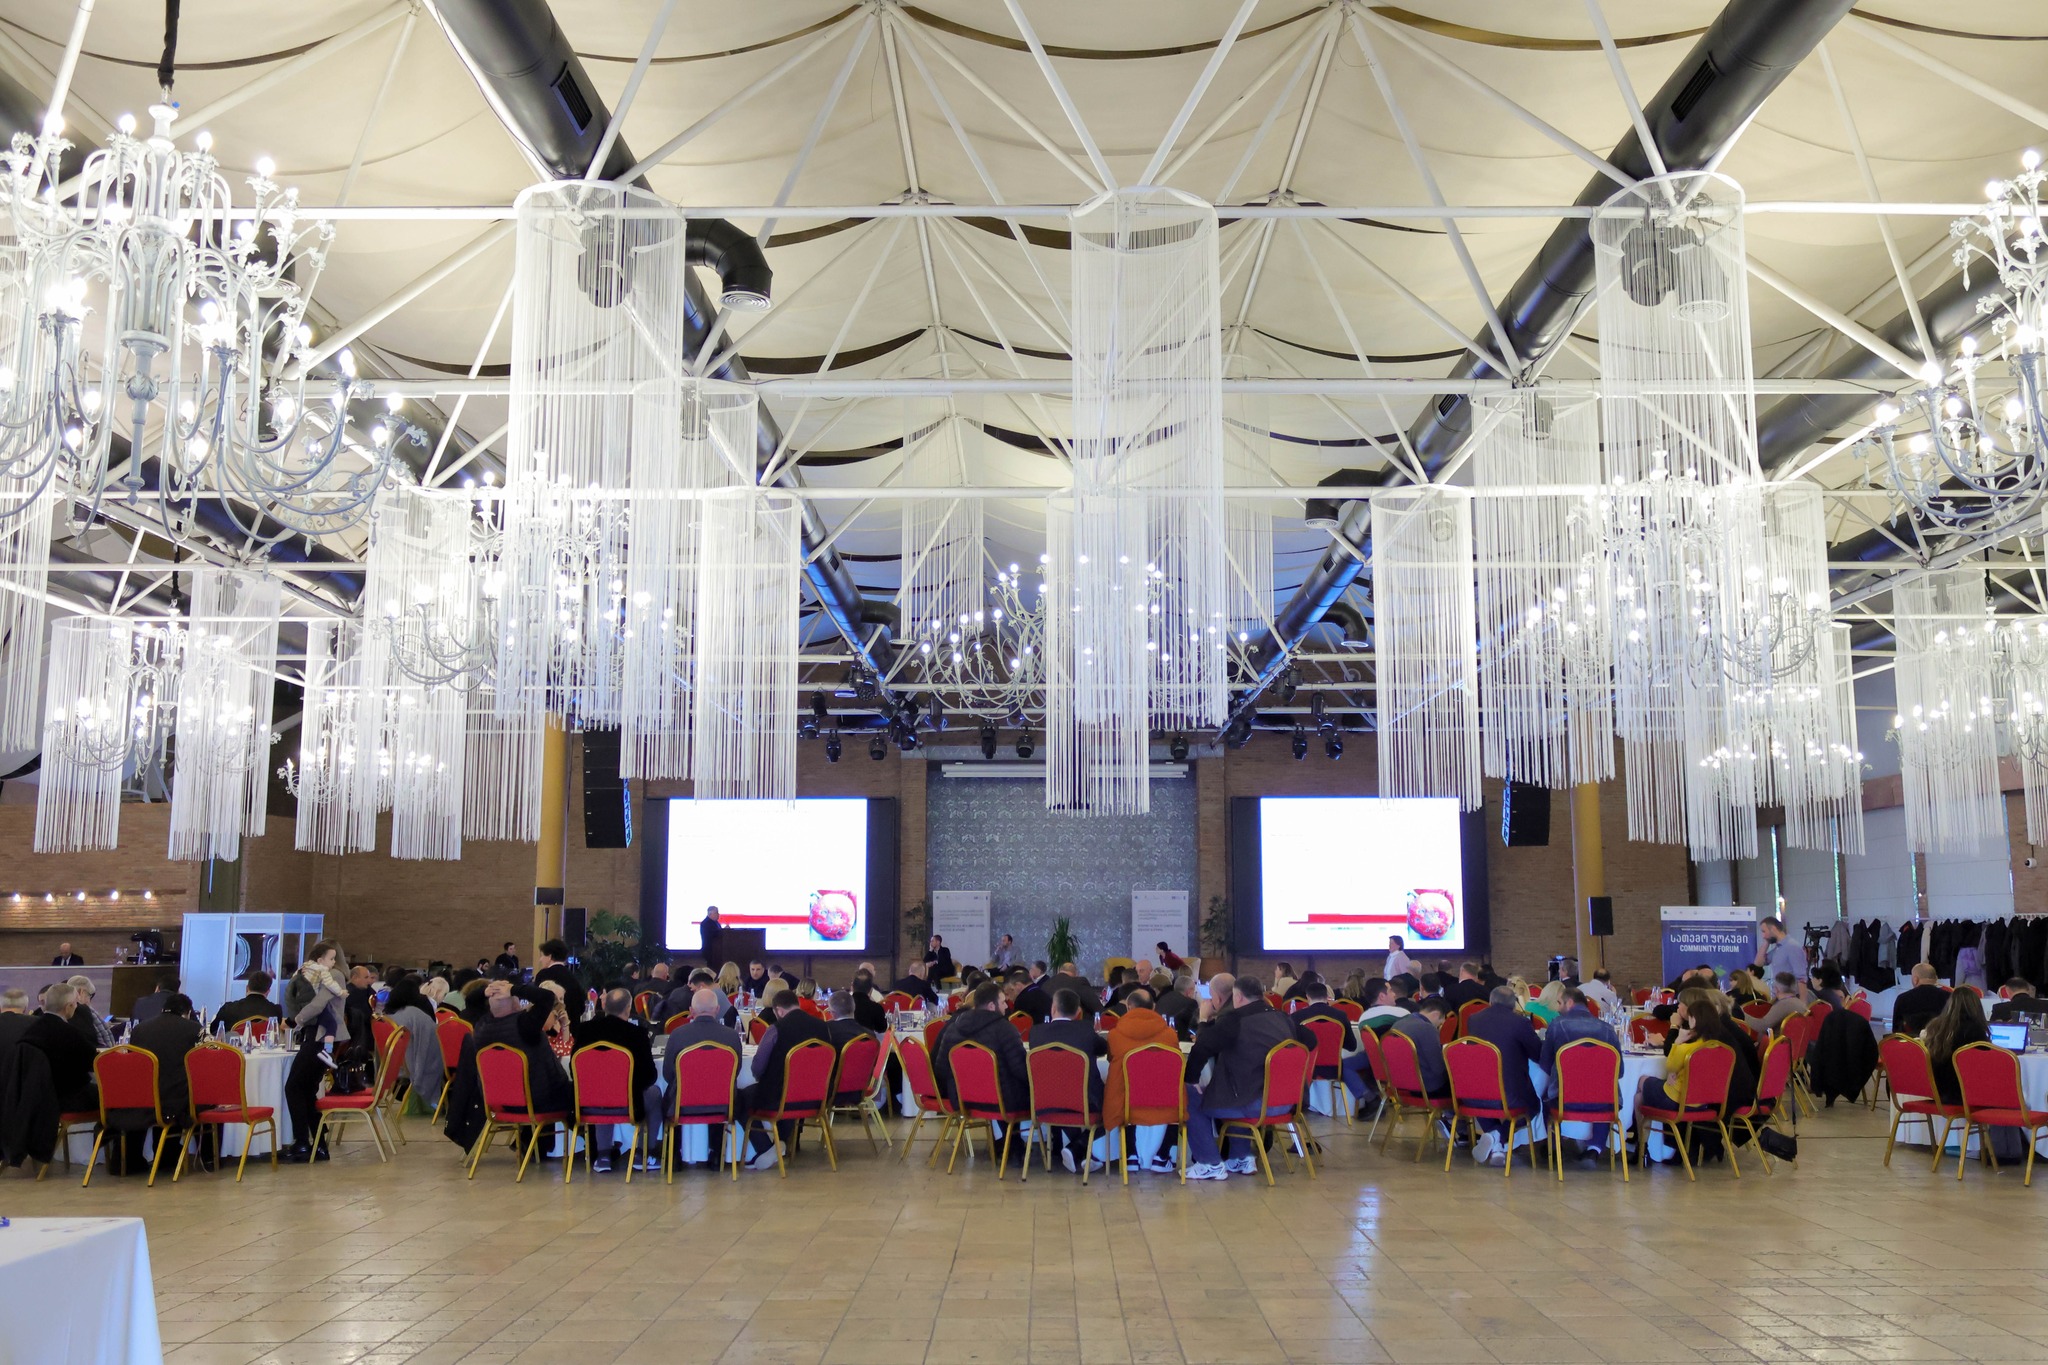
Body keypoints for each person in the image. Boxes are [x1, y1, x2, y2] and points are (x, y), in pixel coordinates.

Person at [1177, 975, 1316, 1180]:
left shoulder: (1235, 1020)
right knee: (1235, 1087)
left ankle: (1209, 1162)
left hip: (1252, 1104)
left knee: (1189, 1094)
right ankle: (1240, 1157)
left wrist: (1192, 1078)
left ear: (1238, 997)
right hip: (1286, 1104)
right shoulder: (1283, 1018)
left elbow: (1203, 1046)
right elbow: (1311, 1041)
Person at [933, 982, 1032, 1168]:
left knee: (1005, 1084)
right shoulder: (1005, 1029)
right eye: (1003, 1002)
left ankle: (1005, 1143)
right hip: (1002, 1102)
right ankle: (1014, 1145)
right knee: (1022, 1088)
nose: (1006, 1006)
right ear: (992, 1006)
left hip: (962, 1100)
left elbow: (941, 1069)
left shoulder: (954, 1028)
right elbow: (1021, 1070)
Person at [570, 986, 659, 1173]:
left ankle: (603, 1156)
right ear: (628, 1008)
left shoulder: (585, 1031)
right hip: (628, 1104)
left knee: (602, 1091)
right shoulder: (637, 1034)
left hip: (588, 1102)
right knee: (655, 1093)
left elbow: (574, 1070)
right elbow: (650, 1076)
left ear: (604, 1006)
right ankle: (643, 1153)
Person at [746, 990, 834, 1169]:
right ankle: (784, 1142)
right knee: (785, 1087)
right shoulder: (823, 1026)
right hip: (816, 1097)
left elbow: (757, 1067)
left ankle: (768, 1147)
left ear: (779, 1010)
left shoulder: (776, 1029)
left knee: (741, 1098)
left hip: (781, 1099)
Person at [659, 988, 745, 1166]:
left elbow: (668, 1074)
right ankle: (717, 1154)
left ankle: (673, 1156)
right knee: (722, 1090)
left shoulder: (678, 1035)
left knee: (668, 1094)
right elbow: (735, 1073)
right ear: (717, 1009)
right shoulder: (731, 1036)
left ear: (691, 1010)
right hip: (723, 1104)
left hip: (682, 1105)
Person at [1460, 986, 1543, 1165]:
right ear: (1514, 1005)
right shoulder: (1520, 1023)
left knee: (1482, 1103)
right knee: (1533, 1106)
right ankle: (1498, 1135)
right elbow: (1538, 1054)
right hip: (1508, 1094)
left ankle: (1496, 1146)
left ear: (1490, 1001)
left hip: (1474, 1093)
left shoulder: (1474, 1019)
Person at [1030, 987, 1108, 1173]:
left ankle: (1071, 1148)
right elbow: (1103, 1048)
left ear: (1053, 1008)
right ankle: (1078, 1147)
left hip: (1044, 1104)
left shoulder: (1036, 1033)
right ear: (1078, 1011)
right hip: (1083, 1104)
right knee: (1113, 1104)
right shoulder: (1085, 1030)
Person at [1540, 987, 1622, 1162]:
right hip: (1604, 1103)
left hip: (1564, 1100)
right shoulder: (1608, 1029)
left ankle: (1554, 1146)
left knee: (1545, 1094)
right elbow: (1619, 1072)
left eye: (1560, 1003)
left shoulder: (1557, 1025)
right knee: (1604, 1090)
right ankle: (1595, 1148)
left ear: (1570, 1003)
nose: (1557, 1007)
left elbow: (1545, 1063)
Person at [285, 944, 350, 1163]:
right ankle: (318, 1145)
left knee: (294, 1087)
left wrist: (296, 1021)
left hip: (319, 1036)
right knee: (306, 1090)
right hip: (319, 1035)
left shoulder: (332, 975)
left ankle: (302, 1142)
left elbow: (318, 1004)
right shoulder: (330, 974)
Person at [1101, 986, 1177, 1167]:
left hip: (1127, 1102)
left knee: (1118, 1087)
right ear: (1153, 1007)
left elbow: (1111, 1060)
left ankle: (1129, 1154)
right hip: (1163, 1102)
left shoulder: (1115, 1035)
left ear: (1128, 1007)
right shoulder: (1170, 1035)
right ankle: (1162, 1155)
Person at [130, 993, 205, 1165]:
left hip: (143, 1096)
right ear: (187, 1012)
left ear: (163, 1009)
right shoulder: (195, 1029)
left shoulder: (139, 1029)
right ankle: (209, 1158)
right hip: (177, 1098)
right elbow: (206, 1059)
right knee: (208, 1099)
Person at [20, 983, 95, 1113]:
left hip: (37, 1097)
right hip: (68, 1097)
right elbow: (93, 1062)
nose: (76, 1007)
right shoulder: (69, 1033)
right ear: (68, 1007)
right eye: (75, 1003)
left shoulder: (30, 1030)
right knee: (115, 1096)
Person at [381, 976, 445, 1115]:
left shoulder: (385, 1015)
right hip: (412, 1064)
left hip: (393, 1063)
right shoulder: (415, 1014)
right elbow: (433, 1037)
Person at [1924, 986, 1991, 1104]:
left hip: (1937, 1090)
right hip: (1961, 1092)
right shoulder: (1974, 1030)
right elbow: (1984, 1062)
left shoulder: (1935, 1026)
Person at [1390, 997, 1452, 1102]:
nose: (1440, 1025)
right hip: (1427, 1087)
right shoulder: (1426, 1028)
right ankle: (1453, 1112)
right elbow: (1438, 1068)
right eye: (1441, 1021)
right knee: (1463, 1083)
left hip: (1402, 1083)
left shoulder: (1398, 1024)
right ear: (1436, 1014)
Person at [212, 972, 283, 1037]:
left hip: (234, 1047)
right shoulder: (275, 1010)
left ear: (247, 988)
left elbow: (214, 1031)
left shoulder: (228, 1008)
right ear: (268, 992)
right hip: (265, 1046)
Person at [1743, 973, 1803, 1037]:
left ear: (1777, 989)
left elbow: (1762, 1026)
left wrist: (1741, 1013)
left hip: (1776, 1041)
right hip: (1791, 1040)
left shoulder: (1784, 1005)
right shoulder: (1799, 1003)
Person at [1753, 917, 1808, 983]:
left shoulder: (1792, 947)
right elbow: (1758, 963)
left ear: (1773, 929)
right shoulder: (1778, 949)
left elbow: (1801, 978)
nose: (1763, 936)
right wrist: (1766, 942)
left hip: (1790, 989)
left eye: (1764, 931)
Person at [65, 975, 114, 1049]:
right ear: (81, 992)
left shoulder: (66, 1013)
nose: (89, 1001)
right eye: (89, 996)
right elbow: (107, 1043)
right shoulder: (86, 1012)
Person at [1153, 972, 1198, 1040]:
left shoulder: (1162, 998)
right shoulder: (1190, 1003)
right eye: (1194, 991)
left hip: (1158, 1039)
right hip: (1178, 1041)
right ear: (1189, 991)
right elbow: (1194, 1027)